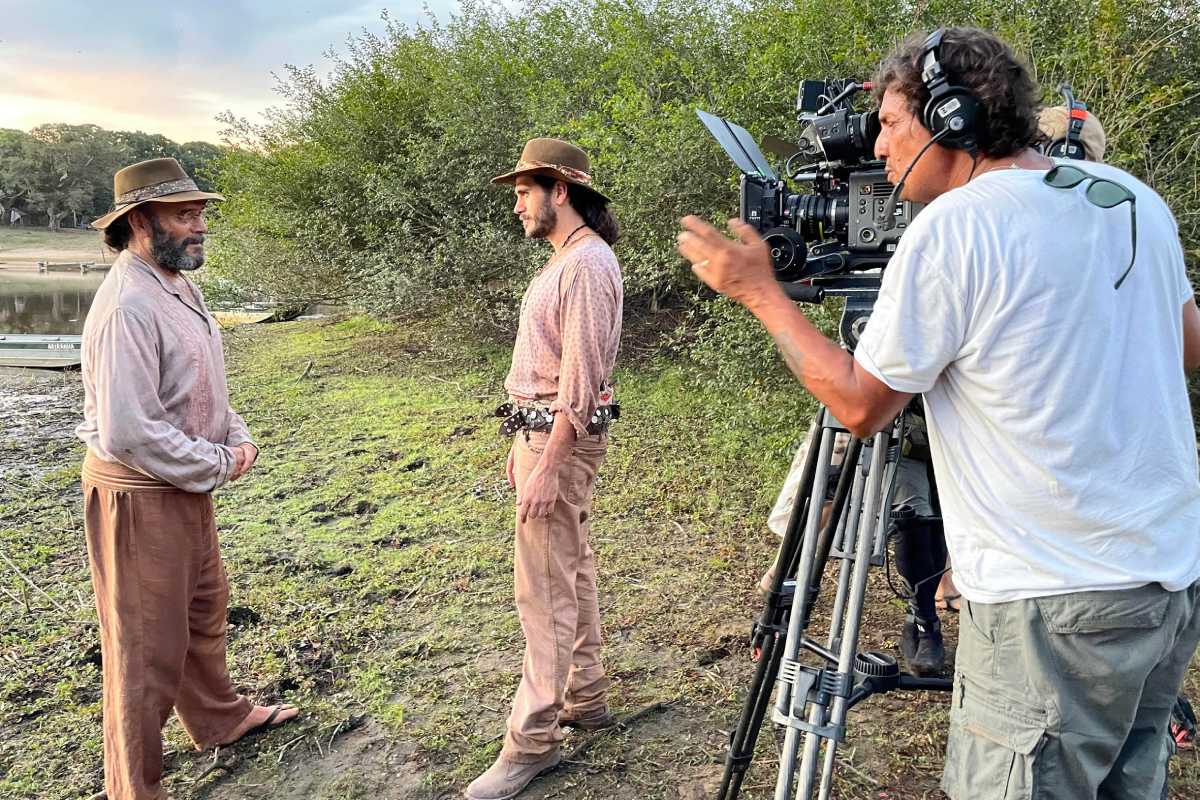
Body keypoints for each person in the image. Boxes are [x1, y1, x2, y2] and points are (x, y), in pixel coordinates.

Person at [678, 26, 1200, 799]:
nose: (877, 147)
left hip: (1049, 605)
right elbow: (1187, 344)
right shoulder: (1131, 200)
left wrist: (760, 292)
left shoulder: (955, 228)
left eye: (889, 123)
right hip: (1165, 580)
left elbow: (861, 406)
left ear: (950, 118)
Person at [80, 158, 298, 800]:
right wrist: (217, 463)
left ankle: (219, 719)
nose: (200, 225)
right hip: (141, 494)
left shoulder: (175, 283)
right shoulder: (127, 305)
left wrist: (235, 434)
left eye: (200, 212)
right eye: (185, 214)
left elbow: (201, 384)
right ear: (139, 222)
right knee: (145, 649)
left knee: (204, 612)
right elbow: (128, 429)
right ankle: (133, 786)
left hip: (184, 484)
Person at [467, 139, 623, 800]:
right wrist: (522, 440)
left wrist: (548, 463)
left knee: (544, 592)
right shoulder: (571, 259)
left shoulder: (585, 262)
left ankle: (531, 742)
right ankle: (584, 696)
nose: (517, 206)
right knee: (571, 566)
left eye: (524, 192)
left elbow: (580, 385)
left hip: (559, 439)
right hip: (540, 434)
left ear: (560, 190)